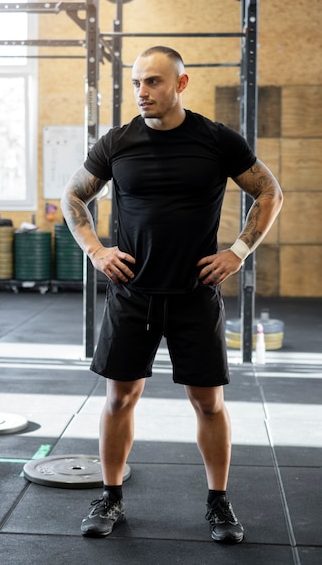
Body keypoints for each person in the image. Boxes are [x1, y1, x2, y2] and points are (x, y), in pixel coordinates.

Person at [61, 46, 283, 543]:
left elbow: (269, 191)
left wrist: (240, 251)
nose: (143, 91)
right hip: (131, 292)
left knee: (208, 404)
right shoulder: (117, 142)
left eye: (155, 82)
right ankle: (111, 496)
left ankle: (219, 503)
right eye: (138, 82)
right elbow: (73, 195)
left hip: (194, 292)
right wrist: (96, 250)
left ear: (181, 84)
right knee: (120, 397)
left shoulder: (216, 140)